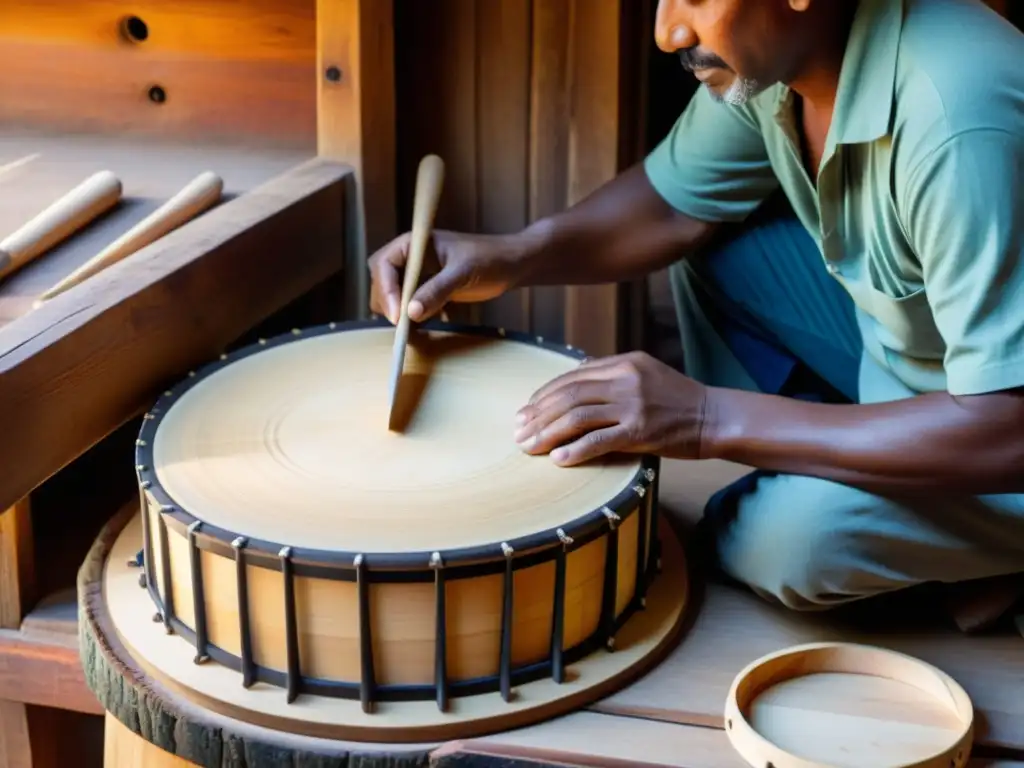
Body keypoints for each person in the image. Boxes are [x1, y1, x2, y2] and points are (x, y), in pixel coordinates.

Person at [368, 0, 1024, 623]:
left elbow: (1007, 427)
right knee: (719, 243)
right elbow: (670, 208)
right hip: (912, 366)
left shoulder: (958, 120)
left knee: (777, 543)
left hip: (997, 437)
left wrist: (708, 418)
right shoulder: (779, 61)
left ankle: (982, 561)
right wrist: (515, 254)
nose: (668, 33)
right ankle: (882, 491)